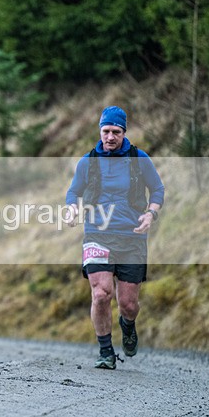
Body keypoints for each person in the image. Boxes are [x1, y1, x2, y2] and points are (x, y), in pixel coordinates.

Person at [63, 106, 164, 369]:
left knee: (129, 304)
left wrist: (151, 214)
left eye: (115, 132)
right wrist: (72, 208)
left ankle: (128, 325)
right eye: (105, 131)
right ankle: (106, 351)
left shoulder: (139, 159)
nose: (109, 137)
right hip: (97, 235)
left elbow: (157, 189)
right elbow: (73, 192)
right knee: (101, 294)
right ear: (100, 131)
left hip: (132, 238)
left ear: (124, 132)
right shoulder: (88, 161)